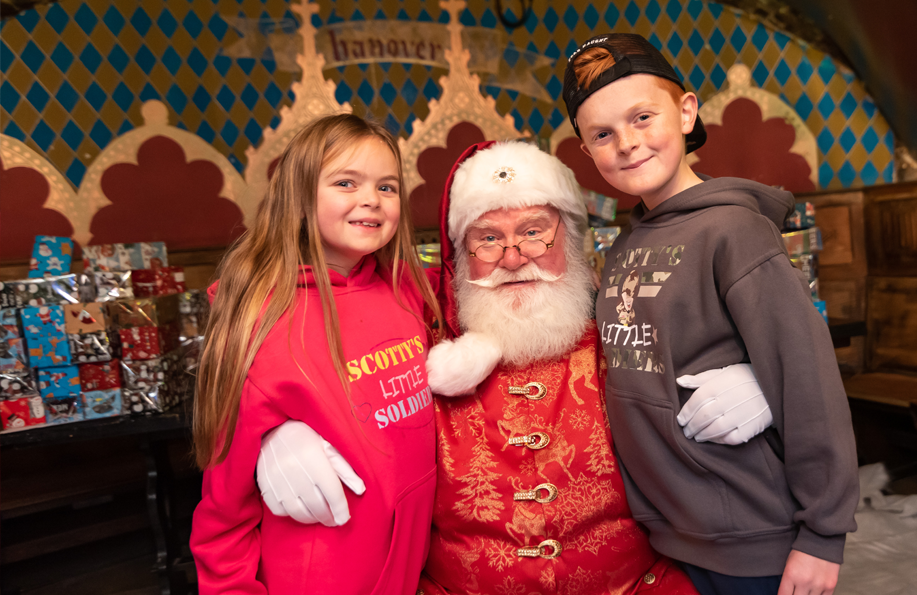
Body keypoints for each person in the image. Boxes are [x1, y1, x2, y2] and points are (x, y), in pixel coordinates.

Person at [253, 140, 775, 594]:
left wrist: (762, 377)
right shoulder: (418, 340)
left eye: (534, 233)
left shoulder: (631, 333)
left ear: (570, 243)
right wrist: (272, 431)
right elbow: (332, 357)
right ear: (460, 257)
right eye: (487, 238)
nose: (511, 257)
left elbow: (733, 326)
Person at [564, 33, 859, 595]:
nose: (627, 143)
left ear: (685, 111)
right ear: (587, 150)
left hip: (750, 530)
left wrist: (823, 533)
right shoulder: (626, 245)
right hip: (668, 530)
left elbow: (806, 375)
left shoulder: (735, 231)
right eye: (603, 133)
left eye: (643, 116)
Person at [189, 114, 443, 594]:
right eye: (346, 182)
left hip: (413, 567)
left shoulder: (410, 290)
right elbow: (224, 512)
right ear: (300, 197)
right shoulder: (260, 322)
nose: (371, 198)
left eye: (387, 187)